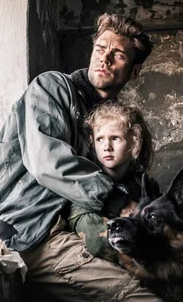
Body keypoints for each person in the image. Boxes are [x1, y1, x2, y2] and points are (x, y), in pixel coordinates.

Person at [0, 13, 160, 301]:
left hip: (65, 230)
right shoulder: (52, 87)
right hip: (30, 232)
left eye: (118, 55)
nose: (105, 59)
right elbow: (48, 161)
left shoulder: (107, 120)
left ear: (134, 70)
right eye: (100, 49)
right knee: (140, 298)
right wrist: (119, 202)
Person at [67, 102, 160, 266]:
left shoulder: (145, 184)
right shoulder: (85, 182)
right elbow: (95, 239)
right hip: (103, 262)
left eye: (115, 138)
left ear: (134, 142)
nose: (106, 147)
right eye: (99, 139)